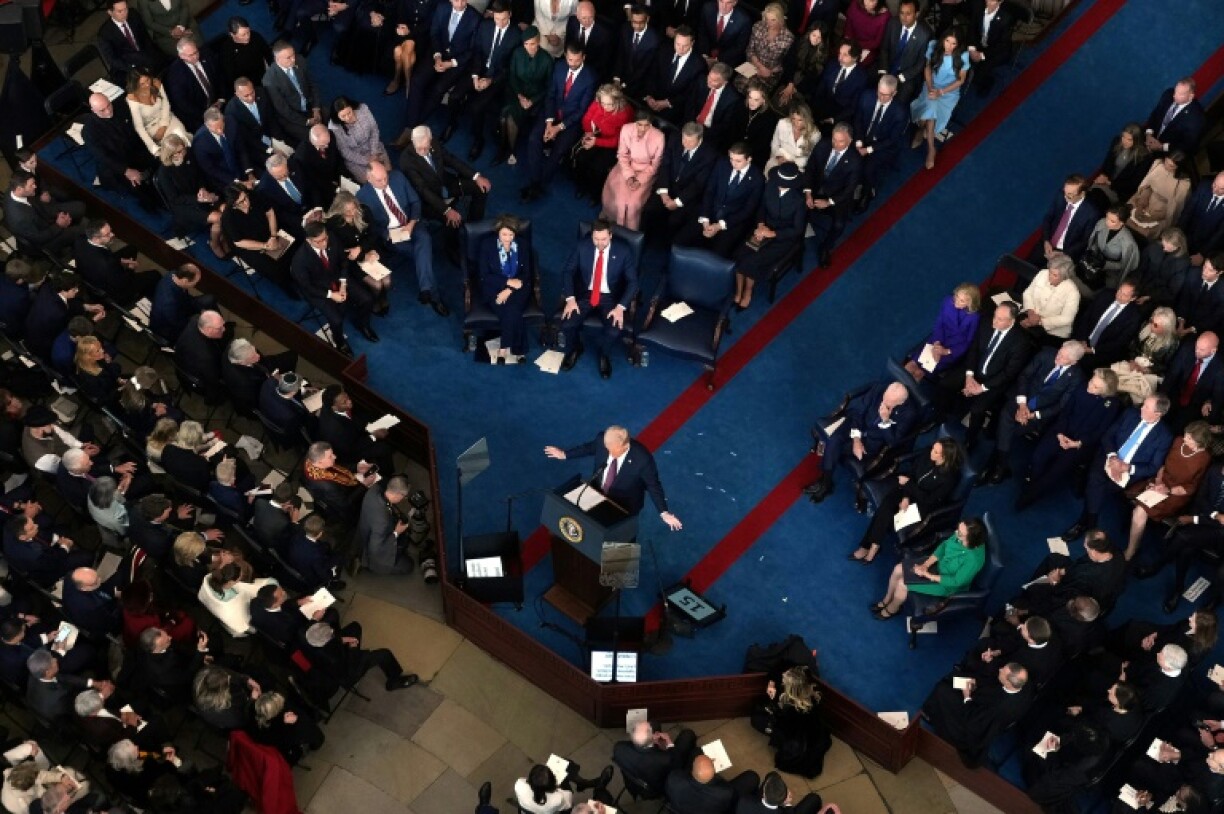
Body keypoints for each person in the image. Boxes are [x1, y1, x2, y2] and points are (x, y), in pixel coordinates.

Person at [1060, 394, 1175, 543]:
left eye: (1146, 407)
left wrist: (1127, 467)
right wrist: (1113, 458)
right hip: (1109, 456)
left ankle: (1084, 523)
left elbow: (1153, 467)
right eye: (1143, 404)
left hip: (1129, 472)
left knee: (1096, 487)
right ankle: (1091, 525)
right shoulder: (1130, 413)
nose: (1141, 407)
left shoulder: (1165, 436)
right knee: (1096, 480)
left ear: (1157, 414)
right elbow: (1108, 436)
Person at [980, 342, 1086, 485]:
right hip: (1021, 399)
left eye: (1064, 358)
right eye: (1060, 352)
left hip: (1039, 413)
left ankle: (995, 466)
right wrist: (1022, 404)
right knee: (1007, 422)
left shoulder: (1076, 378)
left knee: (1007, 431)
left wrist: (1032, 415)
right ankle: (999, 468)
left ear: (1074, 362)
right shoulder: (1046, 354)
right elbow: (1024, 376)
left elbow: (1061, 405)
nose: (1058, 357)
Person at [356, 159, 448, 317]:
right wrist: (388, 235)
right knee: (422, 254)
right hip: (392, 234)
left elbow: (415, 201)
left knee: (424, 240)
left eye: (385, 177)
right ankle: (432, 295)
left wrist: (412, 223)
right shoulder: (362, 196)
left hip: (412, 222)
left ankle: (427, 290)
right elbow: (372, 226)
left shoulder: (397, 177)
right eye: (379, 180)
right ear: (369, 179)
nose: (385, 182)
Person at [850, 437, 964, 563]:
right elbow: (912, 473)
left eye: (936, 452)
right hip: (908, 490)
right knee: (886, 506)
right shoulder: (927, 454)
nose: (931, 452)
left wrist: (909, 485)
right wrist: (906, 497)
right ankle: (872, 546)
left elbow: (929, 499)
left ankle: (870, 546)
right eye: (933, 448)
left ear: (945, 457)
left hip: (922, 504)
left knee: (887, 516)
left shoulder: (950, 478)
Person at [545, 425, 683, 529]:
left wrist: (663, 512)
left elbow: (653, 485)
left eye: (612, 450)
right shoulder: (602, 440)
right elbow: (588, 448)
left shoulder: (642, 459)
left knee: (619, 538)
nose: (608, 453)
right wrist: (564, 454)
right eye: (607, 447)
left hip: (624, 506)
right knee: (589, 525)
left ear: (625, 446)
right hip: (596, 492)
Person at [938, 301, 1034, 449]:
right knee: (945, 383)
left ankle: (971, 439)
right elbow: (973, 350)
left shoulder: (1021, 342)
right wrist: (969, 376)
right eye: (995, 316)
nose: (994, 321)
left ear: (1012, 322)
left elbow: (1008, 373)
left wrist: (981, 388)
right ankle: (944, 413)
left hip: (994, 381)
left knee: (977, 410)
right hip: (974, 370)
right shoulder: (985, 323)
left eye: (1000, 319)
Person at [805, 380, 917, 502]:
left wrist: (885, 421)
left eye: (888, 402)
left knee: (833, 446)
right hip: (858, 426)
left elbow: (893, 441)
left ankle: (825, 482)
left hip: (873, 441)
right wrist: (856, 439)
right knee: (834, 440)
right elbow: (858, 412)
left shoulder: (909, 414)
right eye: (884, 398)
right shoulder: (879, 389)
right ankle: (826, 482)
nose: (883, 402)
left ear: (900, 403)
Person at [555, 219, 639, 378]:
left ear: (610, 236)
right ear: (591, 236)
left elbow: (633, 282)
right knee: (567, 324)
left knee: (614, 330)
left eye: (603, 239)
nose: (599, 243)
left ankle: (604, 355)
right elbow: (568, 271)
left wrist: (620, 307)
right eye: (596, 239)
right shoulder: (582, 246)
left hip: (610, 297)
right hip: (585, 293)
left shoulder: (623, 251)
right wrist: (571, 299)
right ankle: (574, 349)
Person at [519, 43, 597, 203]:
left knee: (559, 150)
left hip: (571, 121)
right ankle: (535, 181)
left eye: (576, 60)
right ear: (566, 57)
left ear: (583, 58)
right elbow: (550, 95)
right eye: (570, 60)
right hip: (552, 113)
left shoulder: (590, 77)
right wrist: (549, 123)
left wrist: (559, 127)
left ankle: (540, 184)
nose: (573, 64)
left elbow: (582, 110)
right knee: (534, 139)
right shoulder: (559, 67)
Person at [870, 517, 987, 620]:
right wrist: (926, 565)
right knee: (898, 568)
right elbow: (943, 546)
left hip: (947, 584)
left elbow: (956, 582)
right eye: (958, 529)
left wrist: (927, 575)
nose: (956, 533)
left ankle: (892, 609)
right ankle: (886, 599)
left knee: (902, 584)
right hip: (939, 565)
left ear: (971, 540)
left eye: (960, 534)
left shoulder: (973, 560)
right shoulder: (960, 536)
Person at [444, 2, 520, 160]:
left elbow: (509, 67)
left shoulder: (516, 35)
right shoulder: (485, 26)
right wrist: (475, 76)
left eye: (504, 19)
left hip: (497, 78)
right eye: (497, 19)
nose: (500, 23)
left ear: (510, 15)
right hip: (477, 71)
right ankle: (452, 123)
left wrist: (490, 80)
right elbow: (477, 52)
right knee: (454, 96)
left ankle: (478, 139)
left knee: (476, 108)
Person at [290, 221, 378, 354]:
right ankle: (339, 341)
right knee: (336, 320)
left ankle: (363, 324)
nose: (324, 243)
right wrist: (331, 295)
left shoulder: (332, 238)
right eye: (318, 242)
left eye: (325, 238)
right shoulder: (300, 260)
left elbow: (343, 262)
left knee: (367, 299)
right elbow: (307, 287)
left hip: (337, 277)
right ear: (309, 241)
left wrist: (343, 284)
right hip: (318, 290)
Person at [922, 662, 1031, 767]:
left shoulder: (998, 708)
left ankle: (930, 713)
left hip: (974, 721)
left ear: (1008, 683)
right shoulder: (1023, 688)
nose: (1000, 669)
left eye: (1003, 671)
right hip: (985, 706)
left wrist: (967, 696)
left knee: (943, 689)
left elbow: (974, 722)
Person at [733, 161, 806, 310]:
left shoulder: (799, 201)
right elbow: (761, 208)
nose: (778, 184)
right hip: (764, 229)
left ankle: (748, 292)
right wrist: (760, 225)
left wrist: (772, 233)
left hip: (783, 238)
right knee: (740, 252)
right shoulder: (770, 186)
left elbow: (797, 230)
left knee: (753, 260)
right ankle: (739, 290)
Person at [676, 141, 765, 257]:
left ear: (749, 159)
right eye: (731, 159)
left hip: (732, 220)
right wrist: (705, 218)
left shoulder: (757, 178)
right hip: (710, 212)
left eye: (738, 161)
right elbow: (709, 191)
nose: (733, 163)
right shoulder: (722, 164)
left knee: (718, 254)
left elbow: (748, 210)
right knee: (680, 240)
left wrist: (719, 226)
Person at [399, 125, 491, 237]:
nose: (423, 152)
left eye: (426, 147)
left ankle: (474, 226)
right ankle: (452, 250)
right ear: (412, 141)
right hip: (430, 199)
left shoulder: (434, 143)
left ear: (430, 139)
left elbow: (451, 160)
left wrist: (476, 176)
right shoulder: (406, 160)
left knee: (481, 189)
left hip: (446, 183)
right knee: (453, 223)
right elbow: (423, 190)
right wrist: (446, 210)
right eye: (419, 149)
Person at [400, 0, 480, 129]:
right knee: (417, 80)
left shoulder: (475, 18)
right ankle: (410, 124)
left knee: (438, 89)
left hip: (457, 62)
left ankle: (413, 127)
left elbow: (472, 50)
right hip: (437, 53)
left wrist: (451, 63)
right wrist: (437, 56)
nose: (459, 3)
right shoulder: (442, 7)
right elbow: (434, 32)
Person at [82, 92, 159, 208]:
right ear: (93, 110)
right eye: (102, 110)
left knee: (159, 163)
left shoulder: (120, 107)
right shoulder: (89, 131)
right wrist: (126, 171)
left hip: (133, 150)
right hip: (118, 165)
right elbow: (104, 157)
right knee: (143, 191)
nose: (108, 111)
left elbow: (134, 131)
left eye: (108, 105)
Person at [643, 122, 717, 241]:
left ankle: (666, 248)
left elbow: (698, 184)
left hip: (686, 195)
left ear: (700, 139)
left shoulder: (709, 154)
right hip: (667, 186)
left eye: (690, 141)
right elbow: (665, 166)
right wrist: (663, 193)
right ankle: (645, 241)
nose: (685, 143)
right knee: (649, 210)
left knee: (674, 221)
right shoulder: (674, 139)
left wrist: (677, 202)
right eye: (684, 139)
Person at [802, 122, 862, 268]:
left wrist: (829, 202)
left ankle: (826, 248)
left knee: (839, 225)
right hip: (816, 188)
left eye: (840, 141)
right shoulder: (823, 145)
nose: (835, 144)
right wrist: (808, 192)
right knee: (797, 204)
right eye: (834, 139)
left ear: (849, 141)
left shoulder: (855, 161)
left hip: (836, 197)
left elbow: (849, 190)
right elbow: (810, 168)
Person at [325, 191, 392, 315]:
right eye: (347, 211)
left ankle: (383, 298)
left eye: (353, 208)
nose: (352, 213)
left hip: (371, 249)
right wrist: (362, 255)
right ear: (339, 209)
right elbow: (340, 251)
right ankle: (376, 301)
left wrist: (362, 248)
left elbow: (373, 234)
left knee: (387, 281)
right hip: (352, 260)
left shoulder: (364, 210)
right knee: (377, 285)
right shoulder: (333, 224)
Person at [908, 29, 968, 170]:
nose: (949, 46)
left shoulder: (963, 56)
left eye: (954, 44)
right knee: (931, 106)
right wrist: (930, 87)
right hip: (931, 85)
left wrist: (940, 92)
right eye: (947, 41)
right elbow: (927, 68)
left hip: (948, 92)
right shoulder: (933, 46)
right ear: (942, 40)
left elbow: (960, 80)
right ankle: (931, 147)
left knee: (931, 108)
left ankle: (923, 134)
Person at [221, 185, 296, 296]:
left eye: (245, 197)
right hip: (249, 245)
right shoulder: (228, 217)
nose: (246, 203)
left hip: (268, 232)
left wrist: (273, 236)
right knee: (271, 267)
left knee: (293, 244)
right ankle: (286, 285)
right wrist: (265, 246)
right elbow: (239, 242)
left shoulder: (254, 196)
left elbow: (270, 213)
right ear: (233, 205)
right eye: (241, 202)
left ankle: (297, 272)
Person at [300, 620, 419, 691]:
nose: (332, 631)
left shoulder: (309, 642)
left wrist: (342, 640)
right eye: (331, 633)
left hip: (337, 655)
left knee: (355, 627)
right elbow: (351, 668)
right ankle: (394, 681)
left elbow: (330, 643)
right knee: (384, 654)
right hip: (348, 673)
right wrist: (353, 649)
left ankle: (355, 647)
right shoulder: (331, 657)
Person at [479, 215, 534, 362]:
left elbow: (527, 273)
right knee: (513, 311)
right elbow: (484, 275)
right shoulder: (487, 245)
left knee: (510, 309)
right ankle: (519, 350)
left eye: (511, 235)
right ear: (498, 232)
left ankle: (504, 348)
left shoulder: (522, 245)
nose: (507, 238)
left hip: (519, 288)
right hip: (494, 287)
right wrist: (507, 282)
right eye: (504, 234)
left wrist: (509, 290)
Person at [569, 84, 635, 205]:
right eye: (603, 103)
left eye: (609, 104)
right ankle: (582, 186)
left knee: (598, 168)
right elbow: (587, 119)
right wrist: (589, 133)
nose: (605, 107)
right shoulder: (598, 103)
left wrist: (596, 142)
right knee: (581, 158)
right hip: (596, 135)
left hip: (612, 144)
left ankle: (596, 194)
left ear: (618, 101)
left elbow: (619, 140)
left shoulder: (625, 114)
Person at [762, 666, 831, 778]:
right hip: (814, 732)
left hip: (798, 736)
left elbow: (782, 725)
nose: (783, 679)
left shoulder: (791, 709)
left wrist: (774, 700)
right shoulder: (814, 694)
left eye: (785, 681)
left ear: (792, 688)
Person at [73, 219, 161, 307]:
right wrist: (130, 268)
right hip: (113, 293)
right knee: (154, 274)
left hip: (93, 272)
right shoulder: (108, 265)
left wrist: (120, 260)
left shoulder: (80, 240)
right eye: (107, 235)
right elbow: (122, 284)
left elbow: (106, 256)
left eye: (110, 231)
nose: (112, 235)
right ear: (96, 238)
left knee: (132, 248)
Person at [498, 27, 553, 166]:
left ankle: (510, 150)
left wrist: (532, 100)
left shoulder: (547, 59)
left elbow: (549, 87)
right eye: (526, 44)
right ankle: (507, 148)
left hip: (536, 97)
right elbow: (512, 76)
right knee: (506, 116)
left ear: (539, 42)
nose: (529, 47)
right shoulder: (517, 53)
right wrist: (520, 96)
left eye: (533, 44)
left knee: (509, 117)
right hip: (517, 93)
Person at [602, 110, 665, 230]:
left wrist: (639, 180)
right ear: (635, 123)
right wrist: (629, 176)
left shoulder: (659, 137)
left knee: (633, 204)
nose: (642, 128)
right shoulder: (626, 129)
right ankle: (615, 227)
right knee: (620, 199)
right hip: (626, 167)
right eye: (639, 124)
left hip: (646, 172)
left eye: (646, 125)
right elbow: (622, 155)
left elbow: (655, 164)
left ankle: (630, 231)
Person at [905, 283, 981, 380]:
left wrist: (946, 351)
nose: (956, 301)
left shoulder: (974, 317)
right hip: (938, 339)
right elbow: (939, 323)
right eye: (956, 296)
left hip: (952, 349)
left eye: (961, 301)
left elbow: (967, 342)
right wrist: (937, 342)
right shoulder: (947, 301)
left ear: (969, 303)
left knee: (922, 371)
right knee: (913, 363)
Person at [155, 135, 223, 239]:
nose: (182, 153)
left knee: (226, 210)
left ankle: (220, 239)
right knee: (219, 218)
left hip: (199, 194)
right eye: (177, 152)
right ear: (170, 154)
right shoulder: (164, 172)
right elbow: (175, 199)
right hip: (184, 205)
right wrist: (198, 199)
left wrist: (202, 188)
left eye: (183, 150)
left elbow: (199, 176)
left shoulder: (189, 155)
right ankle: (215, 243)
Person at [3, 173, 82, 259]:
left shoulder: (12, 191)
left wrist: (56, 214)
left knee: (78, 208)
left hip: (43, 219)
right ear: (19, 189)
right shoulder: (20, 218)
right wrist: (59, 225)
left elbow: (35, 206)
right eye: (31, 185)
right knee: (80, 230)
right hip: (44, 241)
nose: (35, 186)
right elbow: (39, 238)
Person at [1071, 281, 1144, 368]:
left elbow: (1120, 342)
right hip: (1082, 339)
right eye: (1119, 291)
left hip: (1101, 352)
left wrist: (1093, 350)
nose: (1119, 295)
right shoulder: (1105, 295)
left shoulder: (1134, 316)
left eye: (1124, 295)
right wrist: (1081, 339)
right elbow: (1086, 317)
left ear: (1132, 298)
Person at [261, 41, 322, 146]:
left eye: (293, 55)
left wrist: (316, 109)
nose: (293, 59)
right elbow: (283, 109)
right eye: (288, 57)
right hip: (292, 116)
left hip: (310, 106)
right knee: (314, 139)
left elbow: (313, 85)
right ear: (277, 59)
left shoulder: (300, 61)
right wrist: (306, 121)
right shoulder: (269, 80)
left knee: (330, 121)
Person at [1161, 330, 1224, 430]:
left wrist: (1209, 404)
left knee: (1178, 428)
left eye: (1202, 349)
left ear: (1213, 351)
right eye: (1197, 346)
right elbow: (1172, 375)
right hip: (1176, 394)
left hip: (1195, 405)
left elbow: (1218, 395)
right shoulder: (1187, 349)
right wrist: (1161, 397)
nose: (1197, 351)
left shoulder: (1220, 367)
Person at [644, 26, 706, 127]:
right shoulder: (664, 50)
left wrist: (667, 103)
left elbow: (691, 93)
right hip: (652, 103)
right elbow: (652, 74)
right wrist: (649, 95)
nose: (680, 49)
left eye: (685, 45)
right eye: (677, 44)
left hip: (675, 112)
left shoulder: (699, 64)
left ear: (692, 43)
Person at [613, 721, 698, 793]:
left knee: (655, 723)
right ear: (654, 738)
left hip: (632, 783)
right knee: (688, 735)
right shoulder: (664, 759)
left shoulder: (619, 747)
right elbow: (676, 764)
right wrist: (669, 743)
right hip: (656, 788)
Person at [162, 37, 225, 134]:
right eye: (190, 55)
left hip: (219, 103)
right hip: (199, 114)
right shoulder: (175, 75)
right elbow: (183, 104)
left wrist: (221, 99)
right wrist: (205, 113)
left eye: (196, 52)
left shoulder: (207, 55)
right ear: (181, 56)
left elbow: (220, 77)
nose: (195, 57)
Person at [1128, 151, 1193, 243]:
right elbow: (1147, 186)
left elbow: (1173, 210)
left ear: (1179, 167)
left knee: (1142, 232)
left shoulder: (1183, 184)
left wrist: (1152, 218)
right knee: (1127, 218)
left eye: (1171, 166)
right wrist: (1140, 205)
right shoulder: (1158, 164)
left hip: (1162, 213)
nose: (1166, 167)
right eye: (1166, 162)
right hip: (1146, 199)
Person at [96, 0, 166, 84]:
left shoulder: (133, 14)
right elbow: (112, 60)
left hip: (145, 54)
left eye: (126, 9)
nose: (124, 13)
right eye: (120, 11)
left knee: (167, 69)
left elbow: (145, 37)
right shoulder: (104, 34)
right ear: (110, 12)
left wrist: (150, 54)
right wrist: (133, 68)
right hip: (127, 66)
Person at [357, 476, 416, 574]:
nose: (403, 499)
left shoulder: (374, 490)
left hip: (365, 527)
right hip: (371, 552)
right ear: (398, 495)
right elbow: (375, 549)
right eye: (404, 496)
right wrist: (396, 532)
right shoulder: (382, 522)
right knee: (408, 566)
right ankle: (369, 567)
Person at [875, 1, 931, 106]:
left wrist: (901, 78)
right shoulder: (893, 23)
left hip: (906, 74)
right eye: (901, 13)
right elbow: (884, 48)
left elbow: (920, 64)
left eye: (908, 14)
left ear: (917, 14)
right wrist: (883, 72)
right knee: (871, 84)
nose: (904, 17)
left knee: (899, 101)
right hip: (888, 67)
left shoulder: (924, 34)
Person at [1088, 123, 1153, 210]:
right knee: (1088, 197)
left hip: (1120, 191)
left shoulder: (1144, 157)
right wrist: (1103, 176)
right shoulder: (1116, 142)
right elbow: (1107, 163)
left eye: (1129, 140)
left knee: (1097, 201)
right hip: (1105, 182)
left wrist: (1110, 183)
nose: (1124, 141)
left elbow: (1133, 184)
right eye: (1123, 137)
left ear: (1137, 141)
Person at [665, 754, 759, 814]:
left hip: (678, 809)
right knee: (752, 777)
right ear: (714, 774)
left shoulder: (674, 778)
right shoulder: (724, 792)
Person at [125, 68, 189, 155]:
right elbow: (139, 127)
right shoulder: (132, 99)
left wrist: (163, 125)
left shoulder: (156, 83)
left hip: (167, 118)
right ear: (135, 85)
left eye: (147, 80)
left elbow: (166, 105)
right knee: (172, 149)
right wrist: (153, 148)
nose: (147, 85)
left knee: (183, 138)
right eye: (142, 84)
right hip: (152, 128)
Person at [1018, 254, 1081, 342]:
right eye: (1050, 272)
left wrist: (1039, 322)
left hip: (1052, 331)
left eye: (1055, 275)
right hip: (1030, 315)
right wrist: (1031, 312)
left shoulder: (1073, 292)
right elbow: (1028, 293)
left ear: (1064, 277)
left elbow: (1067, 319)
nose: (1049, 276)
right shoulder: (1042, 273)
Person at [735, 3, 793, 96]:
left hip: (770, 72)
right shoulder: (757, 26)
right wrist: (759, 67)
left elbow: (786, 63)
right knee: (739, 86)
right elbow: (750, 50)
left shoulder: (788, 38)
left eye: (773, 20)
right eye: (767, 19)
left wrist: (770, 71)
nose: (769, 23)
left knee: (756, 93)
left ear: (781, 19)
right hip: (752, 65)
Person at [328, 96, 389, 183]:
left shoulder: (363, 109)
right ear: (337, 117)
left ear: (352, 108)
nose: (347, 118)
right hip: (356, 157)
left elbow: (374, 131)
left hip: (372, 146)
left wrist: (374, 152)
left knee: (386, 174)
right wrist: (366, 160)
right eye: (343, 116)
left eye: (349, 113)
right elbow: (344, 151)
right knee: (371, 182)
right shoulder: (334, 127)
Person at [514, 762, 614, 814]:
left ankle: (584, 783)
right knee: (605, 799)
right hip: (556, 808)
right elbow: (569, 804)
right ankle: (597, 787)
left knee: (565, 764)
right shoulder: (557, 799)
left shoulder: (519, 785)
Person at [686, 63, 744, 153]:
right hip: (692, 124)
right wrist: (691, 125)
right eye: (709, 77)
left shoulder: (733, 99)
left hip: (711, 134)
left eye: (714, 80)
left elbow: (725, 126)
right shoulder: (701, 81)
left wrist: (701, 132)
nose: (709, 81)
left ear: (724, 82)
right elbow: (690, 105)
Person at [150, 265, 215, 345]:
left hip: (182, 306)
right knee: (204, 330)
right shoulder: (168, 303)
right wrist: (200, 320)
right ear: (185, 281)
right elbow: (178, 324)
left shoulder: (174, 275)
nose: (195, 285)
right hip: (168, 329)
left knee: (210, 299)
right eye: (195, 282)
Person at [809, 41, 867, 127]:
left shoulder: (861, 78)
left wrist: (834, 119)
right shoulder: (832, 64)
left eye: (845, 55)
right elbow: (820, 89)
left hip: (840, 118)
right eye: (839, 53)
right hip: (821, 108)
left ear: (855, 57)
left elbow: (853, 107)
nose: (840, 57)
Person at [255, 152, 310, 240]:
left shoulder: (294, 164)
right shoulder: (264, 188)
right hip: (295, 221)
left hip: (311, 207)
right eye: (279, 177)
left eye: (285, 173)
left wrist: (317, 207)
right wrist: (303, 221)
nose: (284, 177)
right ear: (270, 173)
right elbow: (280, 213)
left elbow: (310, 186)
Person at [1144, 77, 1206, 156]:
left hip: (1169, 153)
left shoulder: (1196, 118)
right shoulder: (1168, 94)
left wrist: (1161, 147)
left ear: (1191, 96)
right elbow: (1155, 115)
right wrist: (1149, 135)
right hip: (1150, 138)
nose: (1174, 96)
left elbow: (1187, 145)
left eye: (1180, 94)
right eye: (1175, 91)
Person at [611, 5, 660, 99]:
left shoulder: (654, 40)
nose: (637, 26)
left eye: (641, 22)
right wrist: (617, 78)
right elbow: (620, 56)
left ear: (647, 19)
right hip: (621, 79)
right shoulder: (625, 29)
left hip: (640, 86)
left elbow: (644, 69)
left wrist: (624, 85)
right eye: (634, 22)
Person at [724, 81, 776, 169]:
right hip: (735, 147)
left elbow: (762, 143)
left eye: (756, 100)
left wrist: (743, 155)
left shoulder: (769, 118)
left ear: (763, 100)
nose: (751, 102)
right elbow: (731, 129)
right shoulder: (741, 106)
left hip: (754, 154)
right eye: (750, 98)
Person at [290, 125, 343, 210]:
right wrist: (334, 188)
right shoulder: (303, 156)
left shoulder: (330, 136)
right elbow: (313, 179)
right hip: (322, 188)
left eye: (327, 143)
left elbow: (337, 158)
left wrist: (342, 178)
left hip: (337, 176)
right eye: (323, 145)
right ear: (313, 141)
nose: (327, 146)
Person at [1178, 172, 1224, 266]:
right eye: (1214, 184)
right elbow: (1187, 212)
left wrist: (1202, 254)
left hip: (1205, 247)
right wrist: (1178, 233)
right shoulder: (1203, 186)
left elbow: (1219, 234)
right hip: (1186, 236)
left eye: (1221, 189)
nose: (1214, 189)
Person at [217, 17, 272, 88]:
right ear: (232, 34)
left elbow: (268, 54)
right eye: (243, 35)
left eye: (248, 32)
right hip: (247, 85)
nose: (247, 37)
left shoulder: (255, 36)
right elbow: (230, 78)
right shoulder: (226, 51)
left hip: (264, 75)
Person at [696, 0, 751, 70]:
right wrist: (705, 54)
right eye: (721, 1)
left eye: (728, 3)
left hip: (727, 58)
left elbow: (739, 47)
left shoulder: (743, 20)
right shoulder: (707, 8)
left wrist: (718, 59)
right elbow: (702, 33)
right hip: (706, 52)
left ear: (735, 3)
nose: (723, 7)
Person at [765, 102, 818, 173]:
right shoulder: (782, 123)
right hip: (779, 160)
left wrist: (794, 162)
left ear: (807, 119)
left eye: (800, 120)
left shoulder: (815, 134)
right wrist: (779, 157)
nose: (796, 123)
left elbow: (811, 157)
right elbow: (774, 144)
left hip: (798, 166)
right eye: (793, 119)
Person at [73, 337, 123, 407]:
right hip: (111, 398)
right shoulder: (90, 380)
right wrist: (119, 390)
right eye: (98, 350)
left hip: (115, 384)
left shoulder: (98, 359)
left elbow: (114, 370)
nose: (102, 350)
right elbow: (104, 399)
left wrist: (118, 378)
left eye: (101, 347)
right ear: (88, 356)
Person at [842, 0, 888, 69]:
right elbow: (848, 28)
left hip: (868, 48)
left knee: (855, 67)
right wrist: (849, 44)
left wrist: (857, 45)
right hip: (851, 41)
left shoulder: (884, 16)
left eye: (873, 0)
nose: (870, 3)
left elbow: (876, 43)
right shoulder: (855, 4)